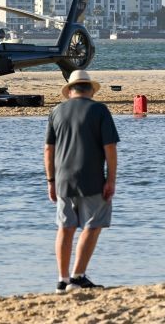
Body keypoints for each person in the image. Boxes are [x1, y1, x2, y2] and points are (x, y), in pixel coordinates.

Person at [44, 70, 120, 293]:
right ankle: (78, 276)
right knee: (93, 224)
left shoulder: (56, 111)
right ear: (90, 90)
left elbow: (48, 150)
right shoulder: (99, 110)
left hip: (63, 179)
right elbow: (110, 148)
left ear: (70, 91)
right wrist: (111, 179)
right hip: (92, 177)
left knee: (65, 228)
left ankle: (62, 279)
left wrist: (50, 180)